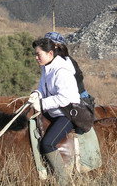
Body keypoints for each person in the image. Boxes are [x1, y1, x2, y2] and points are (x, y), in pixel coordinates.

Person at [27, 37, 80, 186]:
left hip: (68, 113)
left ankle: (63, 181)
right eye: (35, 54)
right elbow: (43, 89)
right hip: (53, 111)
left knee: (47, 144)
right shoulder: (46, 67)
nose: (36, 57)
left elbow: (65, 98)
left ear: (50, 53)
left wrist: (42, 103)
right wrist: (36, 94)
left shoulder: (61, 70)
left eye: (39, 54)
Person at [44, 32, 91, 99]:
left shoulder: (63, 61)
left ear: (56, 45)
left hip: (77, 96)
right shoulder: (51, 59)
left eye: (47, 43)